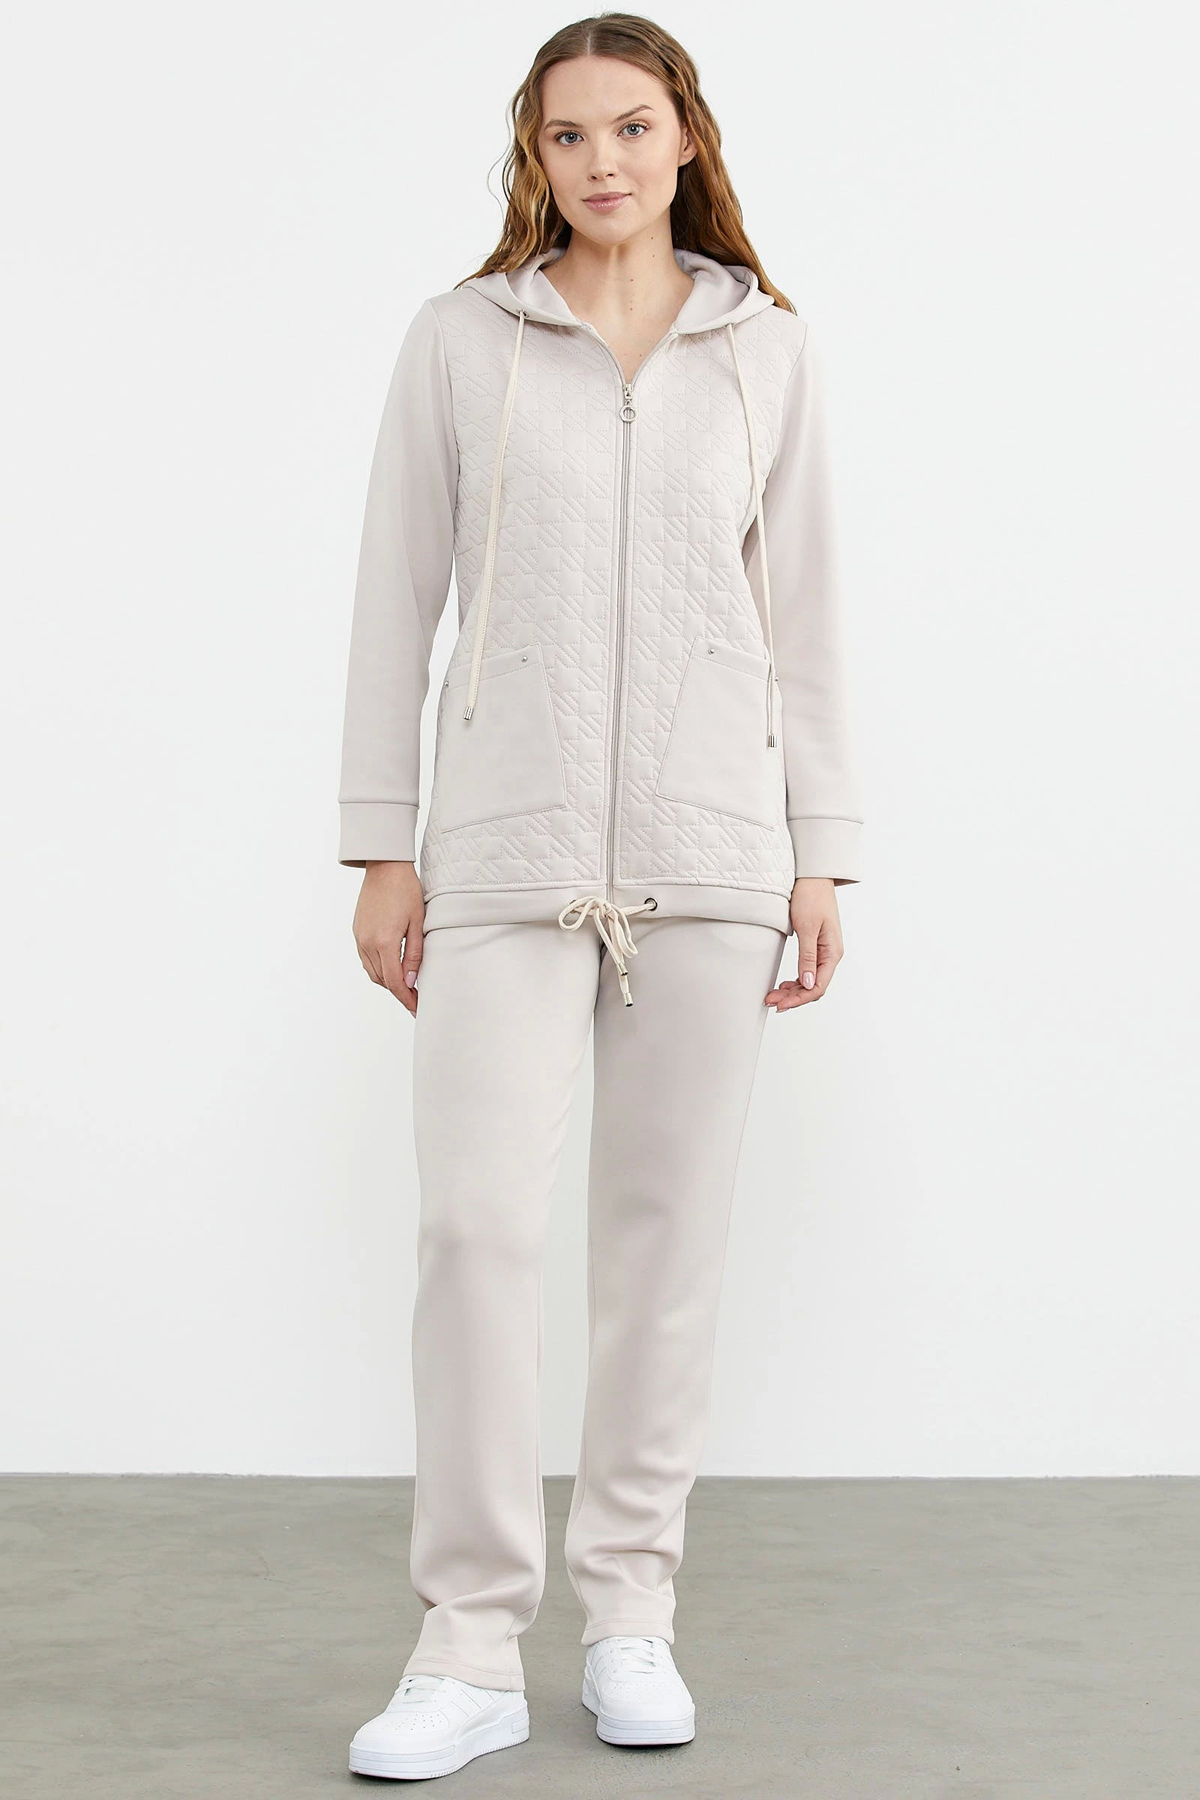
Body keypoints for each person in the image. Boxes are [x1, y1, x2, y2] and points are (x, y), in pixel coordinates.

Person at [337, 12, 864, 1782]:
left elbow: (806, 619)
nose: (603, 162)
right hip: (502, 850)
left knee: (664, 1251)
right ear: (535, 156)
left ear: (686, 136)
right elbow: (396, 595)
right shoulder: (461, 340)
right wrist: (385, 838)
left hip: (714, 857)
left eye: (632, 127)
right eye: (569, 136)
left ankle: (631, 1612)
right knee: (476, 1233)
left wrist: (819, 849)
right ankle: (469, 1644)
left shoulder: (766, 349)